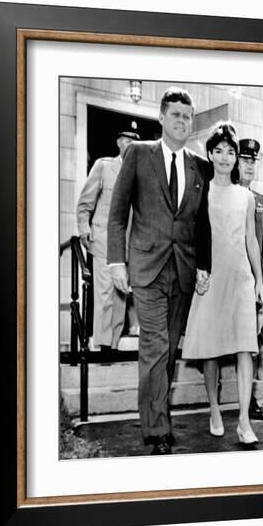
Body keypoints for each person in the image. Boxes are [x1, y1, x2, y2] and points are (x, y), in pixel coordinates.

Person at [107, 87, 211, 454]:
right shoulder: (138, 154)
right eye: (176, 115)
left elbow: (201, 224)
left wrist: (203, 266)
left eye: (187, 116)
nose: (182, 121)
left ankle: (158, 413)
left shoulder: (200, 167)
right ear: (162, 118)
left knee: (167, 352)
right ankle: (155, 430)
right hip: (146, 267)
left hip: (182, 270)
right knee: (155, 346)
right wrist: (116, 261)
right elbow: (118, 213)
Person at [182, 121, 263, 445]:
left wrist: (258, 279)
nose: (226, 158)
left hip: (241, 278)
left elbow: (251, 240)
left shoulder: (245, 196)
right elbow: (193, 236)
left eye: (231, 152)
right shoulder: (201, 191)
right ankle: (215, 409)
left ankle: (243, 421)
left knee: (246, 347)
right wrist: (199, 270)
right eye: (219, 151)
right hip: (212, 279)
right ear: (211, 154)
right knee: (212, 349)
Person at [77, 130, 140, 353]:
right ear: (118, 142)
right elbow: (85, 201)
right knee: (104, 294)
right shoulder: (103, 166)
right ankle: (103, 345)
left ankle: (112, 345)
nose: (131, 144)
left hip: (125, 244)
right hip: (103, 239)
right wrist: (84, 228)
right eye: (127, 140)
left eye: (134, 141)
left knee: (120, 295)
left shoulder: (138, 172)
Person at [238, 138, 263, 421]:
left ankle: (251, 398)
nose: (249, 166)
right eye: (244, 160)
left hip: (253, 285)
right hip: (227, 281)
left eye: (253, 161)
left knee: (253, 344)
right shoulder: (222, 193)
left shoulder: (260, 201)